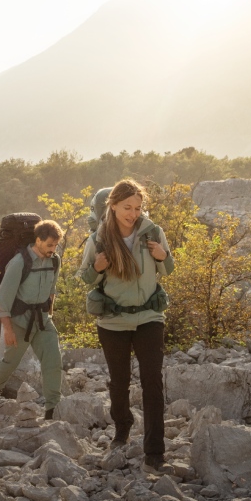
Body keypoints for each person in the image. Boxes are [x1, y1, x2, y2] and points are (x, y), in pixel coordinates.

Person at [79, 179, 175, 474]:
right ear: (113, 206)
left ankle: (155, 452)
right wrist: (97, 268)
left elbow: (168, 268)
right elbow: (85, 277)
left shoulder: (153, 232)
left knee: (152, 383)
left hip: (149, 318)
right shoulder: (99, 239)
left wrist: (163, 256)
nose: (133, 213)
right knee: (119, 382)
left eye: (137, 207)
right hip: (113, 322)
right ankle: (122, 429)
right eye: (127, 208)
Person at [0, 220, 64, 420]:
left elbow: (52, 289)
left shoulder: (54, 260)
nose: (53, 250)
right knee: (11, 361)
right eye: (49, 245)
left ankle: (51, 409)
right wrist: (8, 329)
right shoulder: (20, 262)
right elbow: (3, 299)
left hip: (43, 320)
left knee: (53, 361)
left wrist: (49, 314)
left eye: (56, 245)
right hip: (20, 321)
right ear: (38, 240)